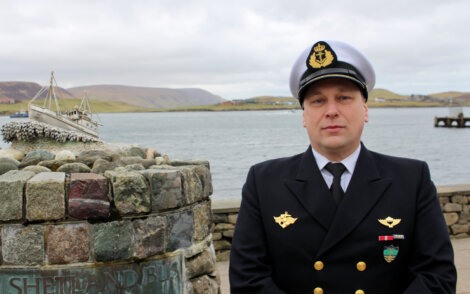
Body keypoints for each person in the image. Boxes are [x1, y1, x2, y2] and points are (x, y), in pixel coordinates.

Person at [229, 40, 457, 294]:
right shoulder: (264, 182)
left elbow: (437, 276)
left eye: (344, 97)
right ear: (304, 116)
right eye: (317, 101)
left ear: (365, 110)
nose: (331, 111)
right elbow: (247, 279)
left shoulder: (412, 180)